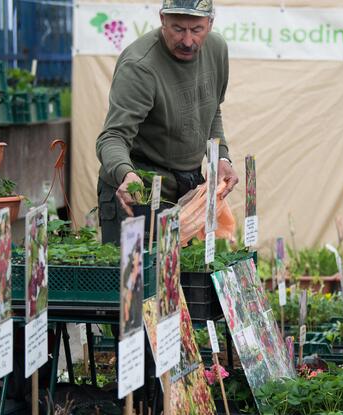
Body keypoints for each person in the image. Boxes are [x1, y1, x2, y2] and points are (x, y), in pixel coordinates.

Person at [96, 0, 239, 243]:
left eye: (196, 30)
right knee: (138, 279)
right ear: (162, 19)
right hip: (139, 191)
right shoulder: (140, 66)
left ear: (210, 23)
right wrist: (126, 174)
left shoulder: (216, 51)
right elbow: (112, 137)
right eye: (177, 28)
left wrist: (221, 157)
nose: (187, 40)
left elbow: (211, 109)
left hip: (187, 191)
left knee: (181, 278)